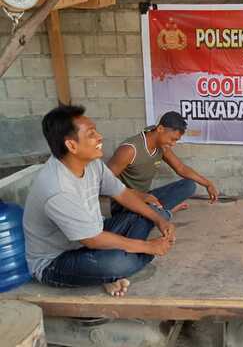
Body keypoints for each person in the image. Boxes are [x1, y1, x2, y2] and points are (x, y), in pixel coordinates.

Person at [23, 106, 175, 297]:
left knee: (152, 212)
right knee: (119, 263)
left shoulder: (92, 163)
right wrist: (148, 246)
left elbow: (122, 194)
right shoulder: (57, 188)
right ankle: (111, 272)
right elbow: (92, 240)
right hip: (56, 261)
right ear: (71, 145)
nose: (100, 137)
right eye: (91, 134)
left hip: (95, 234)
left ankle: (110, 271)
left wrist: (159, 220)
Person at [107, 111, 219, 217]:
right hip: (124, 202)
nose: (173, 144)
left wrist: (208, 184)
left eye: (176, 141)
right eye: (172, 139)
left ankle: (156, 213)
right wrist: (140, 196)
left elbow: (181, 168)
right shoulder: (129, 150)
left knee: (189, 185)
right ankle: (162, 213)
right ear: (160, 129)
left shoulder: (161, 146)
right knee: (141, 222)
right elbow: (105, 184)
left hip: (145, 197)